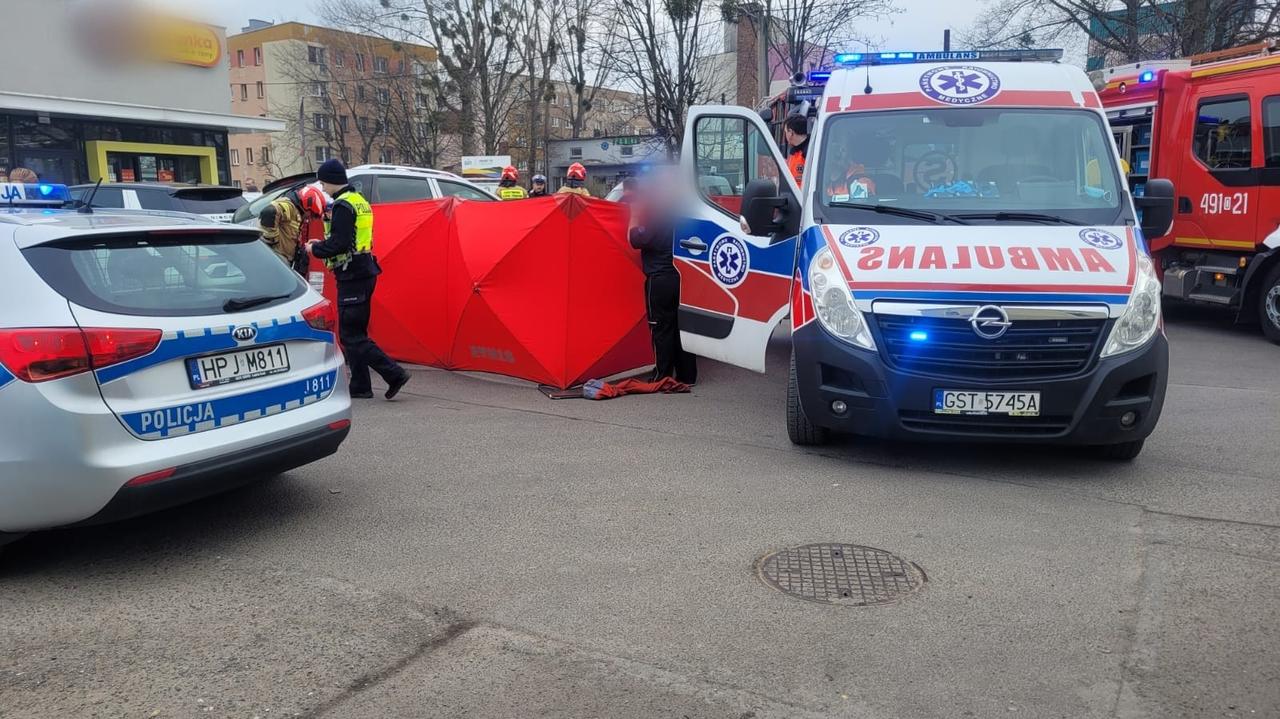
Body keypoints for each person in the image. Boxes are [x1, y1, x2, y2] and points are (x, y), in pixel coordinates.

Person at [306, 159, 410, 400]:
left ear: (331, 181)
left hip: (352, 274)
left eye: (323, 183)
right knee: (356, 332)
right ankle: (361, 385)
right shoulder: (360, 201)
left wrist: (315, 248)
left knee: (351, 335)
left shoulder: (343, 205)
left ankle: (394, 374)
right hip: (364, 270)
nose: (322, 188)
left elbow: (339, 243)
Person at [628, 171, 696, 385]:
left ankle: (662, 374)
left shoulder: (657, 216)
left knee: (661, 327)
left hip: (659, 278)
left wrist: (634, 216)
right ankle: (688, 375)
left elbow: (636, 239)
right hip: (681, 277)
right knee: (680, 326)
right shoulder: (683, 214)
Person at [259, 184, 323, 275]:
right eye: (311, 214)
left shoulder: (297, 213)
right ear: (307, 206)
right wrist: (272, 240)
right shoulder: (289, 206)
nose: (310, 217)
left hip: (282, 262)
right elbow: (269, 211)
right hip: (276, 261)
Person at [783, 115, 810, 188]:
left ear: (791, 133)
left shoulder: (810, 153)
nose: (785, 135)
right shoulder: (793, 151)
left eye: (786, 132)